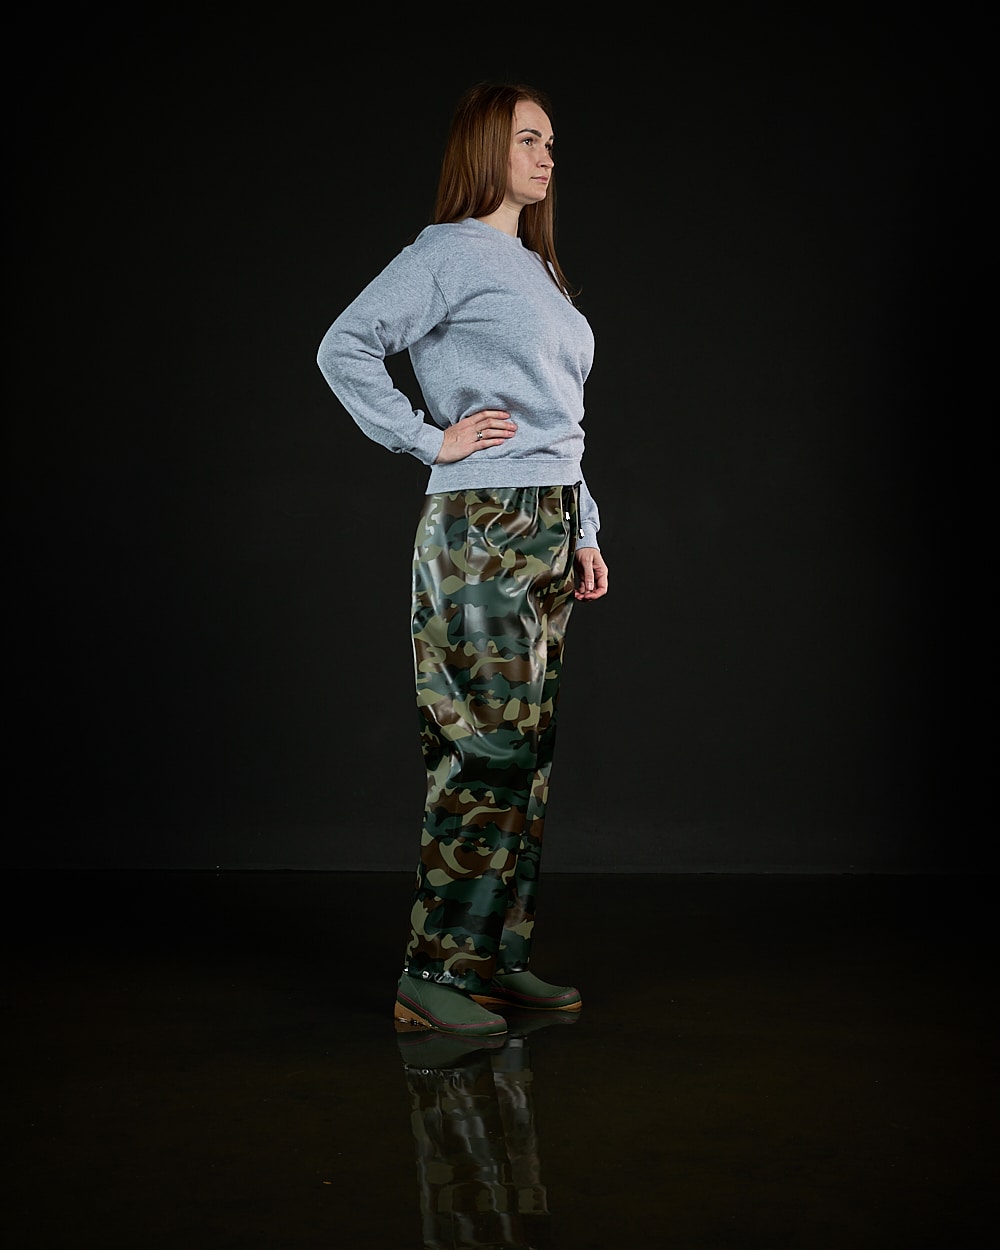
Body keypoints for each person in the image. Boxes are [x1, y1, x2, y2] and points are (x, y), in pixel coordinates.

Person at [316, 81, 609, 1039]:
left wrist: (586, 528)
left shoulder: (540, 268)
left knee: (528, 755)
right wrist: (426, 438)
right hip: (481, 525)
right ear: (485, 148)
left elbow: (561, 419)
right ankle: (432, 973)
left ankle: (494, 959)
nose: (546, 156)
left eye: (551, 142)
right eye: (528, 139)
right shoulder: (445, 254)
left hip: (548, 523)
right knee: (483, 749)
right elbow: (344, 348)